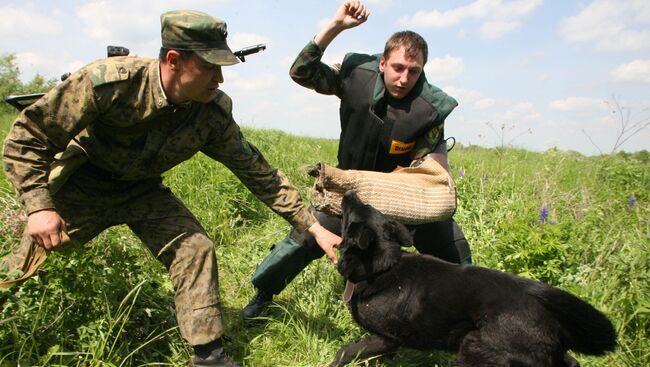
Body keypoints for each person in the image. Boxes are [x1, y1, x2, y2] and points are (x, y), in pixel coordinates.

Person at [1, 10, 341, 367]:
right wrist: (39, 207)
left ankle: (209, 355)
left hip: (142, 191)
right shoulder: (110, 82)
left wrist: (314, 227)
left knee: (195, 249)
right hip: (84, 185)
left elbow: (258, 173)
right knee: (24, 268)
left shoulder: (212, 112)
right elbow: (27, 137)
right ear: (175, 60)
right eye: (210, 67)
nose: (220, 78)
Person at [242, 0, 472, 320]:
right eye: (398, 68)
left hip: (400, 198)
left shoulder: (430, 108)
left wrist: (435, 193)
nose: (405, 78)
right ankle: (263, 293)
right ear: (382, 64)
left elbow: (431, 169)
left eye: (414, 71)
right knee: (306, 238)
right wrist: (335, 26)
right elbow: (301, 71)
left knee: (452, 246)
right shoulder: (356, 74)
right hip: (348, 192)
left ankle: (468, 307)